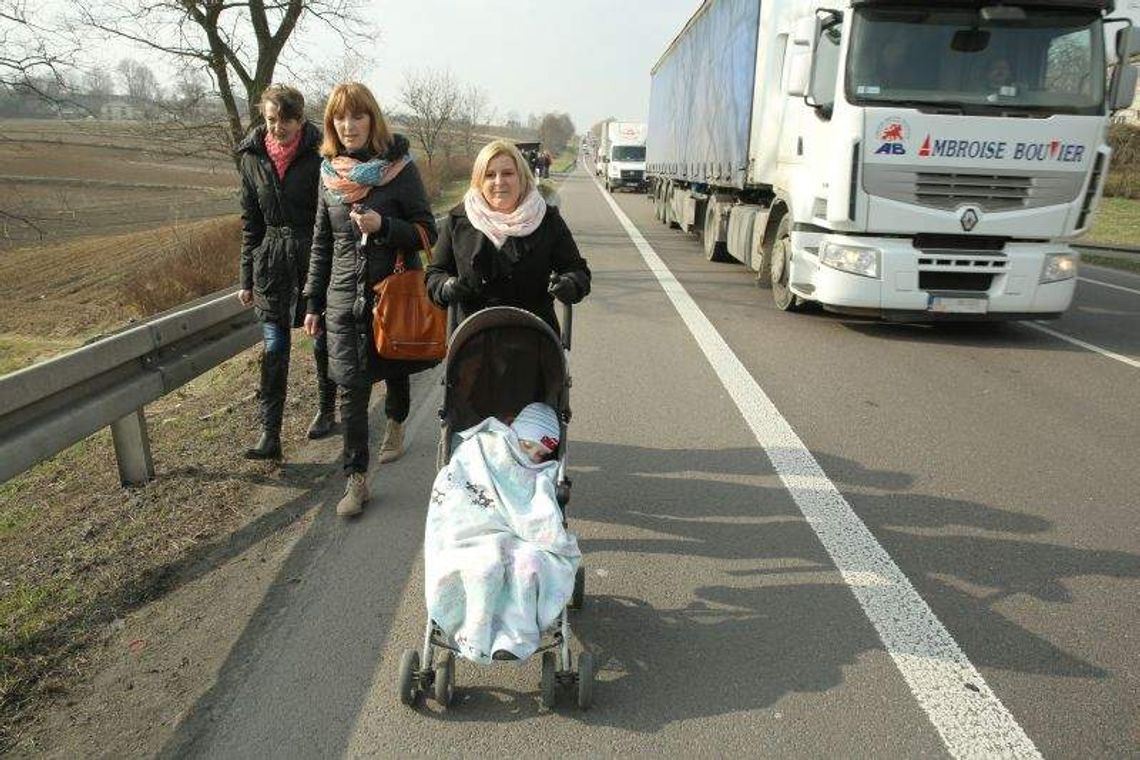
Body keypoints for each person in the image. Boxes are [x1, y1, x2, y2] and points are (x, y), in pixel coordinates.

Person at [302, 82, 438, 517]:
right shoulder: (327, 176)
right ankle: (355, 480)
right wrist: (312, 302)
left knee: (395, 366)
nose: (348, 125)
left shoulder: (399, 168)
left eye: (357, 116)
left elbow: (427, 232)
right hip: (344, 296)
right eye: (340, 118)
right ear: (331, 124)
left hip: (393, 293)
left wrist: (384, 226)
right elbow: (322, 241)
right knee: (351, 387)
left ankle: (396, 422)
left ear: (372, 119)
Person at [423, 401, 578, 663]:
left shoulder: (539, 471)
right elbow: (458, 481)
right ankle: (474, 634)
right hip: (471, 529)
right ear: (514, 430)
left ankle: (516, 638)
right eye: (527, 445)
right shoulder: (482, 445)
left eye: (540, 454)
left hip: (519, 538)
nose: (530, 456)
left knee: (527, 567)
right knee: (485, 567)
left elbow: (537, 502)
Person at [237, 83, 336, 461]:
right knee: (275, 348)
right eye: (271, 119)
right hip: (270, 264)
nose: (277, 127)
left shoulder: (320, 152)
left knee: (321, 339)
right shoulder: (251, 156)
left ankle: (327, 409)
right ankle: (270, 432)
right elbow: (251, 221)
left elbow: (330, 212)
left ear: (300, 119)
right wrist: (246, 276)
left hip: (313, 256)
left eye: (286, 120)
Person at [425, 139, 590, 335]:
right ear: (478, 181)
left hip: (534, 340)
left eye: (508, 173)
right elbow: (435, 274)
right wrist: (446, 287)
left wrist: (569, 284)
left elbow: (578, 271)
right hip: (472, 343)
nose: (499, 182)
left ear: (521, 177)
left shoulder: (547, 219)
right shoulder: (458, 221)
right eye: (489, 175)